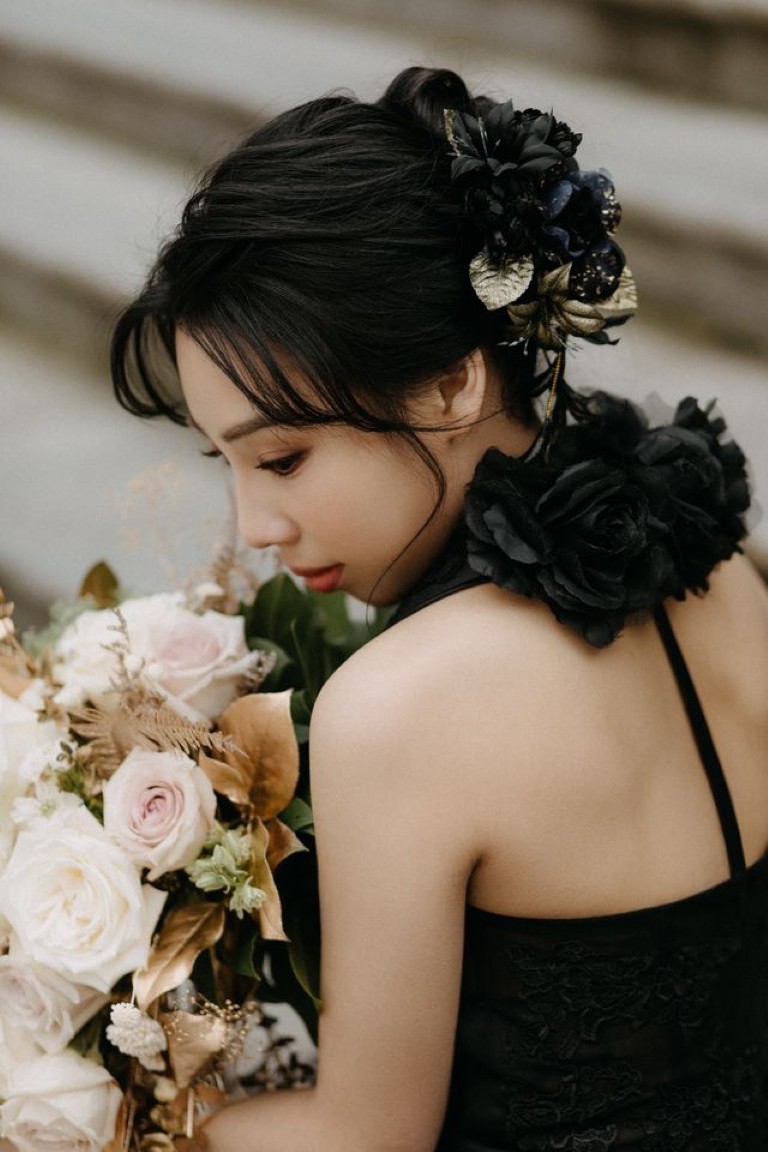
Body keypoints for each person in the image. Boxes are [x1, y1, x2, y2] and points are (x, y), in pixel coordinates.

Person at [111, 66, 768, 1151]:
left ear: (453, 384)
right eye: (225, 462)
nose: (255, 525)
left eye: (282, 457)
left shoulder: (401, 710)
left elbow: (365, 1138)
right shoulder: (717, 564)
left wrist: (112, 1106)